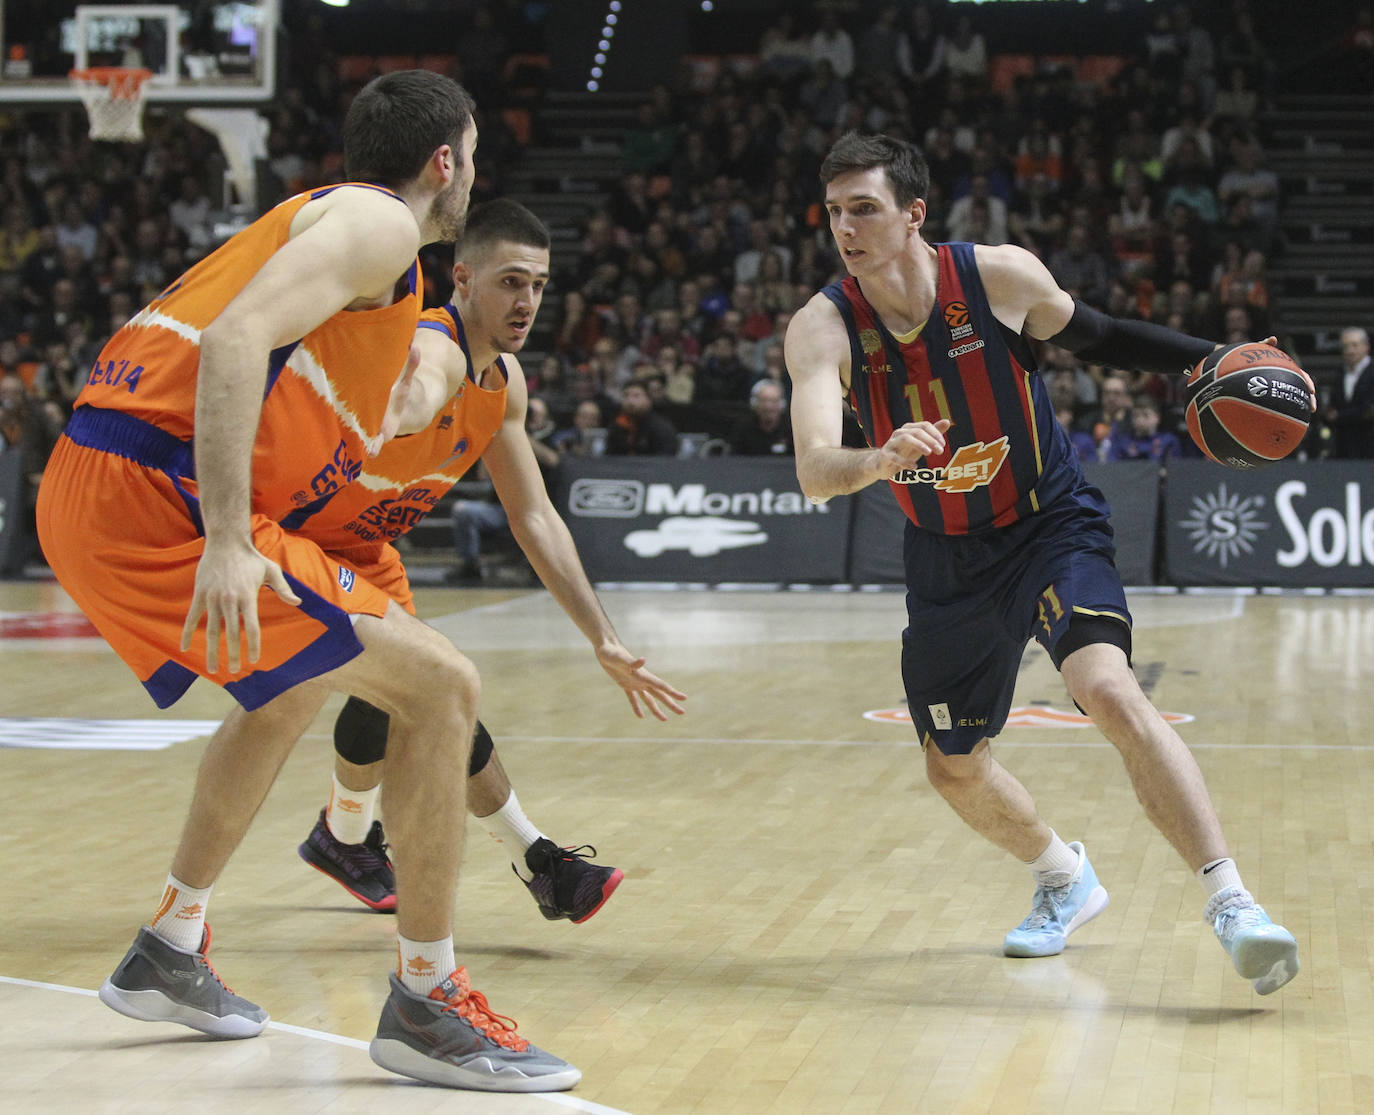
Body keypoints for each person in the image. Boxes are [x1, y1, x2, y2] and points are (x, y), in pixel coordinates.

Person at [36, 70, 586, 1092]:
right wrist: (227, 537)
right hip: (158, 489)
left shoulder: (338, 228)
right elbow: (235, 338)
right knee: (444, 686)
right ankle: (426, 1000)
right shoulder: (381, 224)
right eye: (473, 155)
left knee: (288, 691)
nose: (474, 173)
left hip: (99, 475)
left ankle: (170, 943)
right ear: (445, 161)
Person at [785, 132, 1304, 995]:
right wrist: (876, 458)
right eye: (835, 211)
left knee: (1109, 688)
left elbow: (1099, 334)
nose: (845, 227)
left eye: (864, 209)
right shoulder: (823, 325)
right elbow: (812, 469)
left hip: (1047, 521)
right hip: (947, 557)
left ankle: (1234, 902)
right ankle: (1064, 875)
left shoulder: (995, 276)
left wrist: (1208, 357)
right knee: (952, 763)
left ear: (913, 215)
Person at [293, 199, 685, 919]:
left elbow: (534, 517)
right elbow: (423, 386)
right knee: (430, 685)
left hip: (364, 550)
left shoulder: (504, 381)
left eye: (538, 284)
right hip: (294, 541)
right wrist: (401, 406)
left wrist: (602, 637)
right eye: (510, 282)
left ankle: (342, 837)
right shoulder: (434, 348)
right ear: (464, 279)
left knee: (390, 696)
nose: (527, 300)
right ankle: (539, 861)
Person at [1325, 326, 1374, 458]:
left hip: (1369, 447)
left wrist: (1338, 416)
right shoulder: (1339, 374)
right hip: (1343, 449)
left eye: (1354, 345)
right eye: (1345, 346)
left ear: (1366, 346)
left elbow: (1369, 411)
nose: (1350, 351)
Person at [604, 380, 679, 456]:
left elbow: (666, 458)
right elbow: (609, 456)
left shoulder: (661, 427)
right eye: (626, 395)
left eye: (636, 396)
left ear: (648, 399)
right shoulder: (618, 424)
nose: (630, 401)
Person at [728, 380, 794, 456]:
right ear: (754, 404)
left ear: (782, 405)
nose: (768, 407)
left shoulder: (792, 428)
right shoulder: (743, 427)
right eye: (763, 401)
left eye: (774, 401)